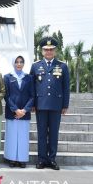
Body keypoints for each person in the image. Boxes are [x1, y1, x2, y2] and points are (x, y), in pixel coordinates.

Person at [30, 37, 70, 170]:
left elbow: (66, 87)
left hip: (56, 105)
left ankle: (52, 159)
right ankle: (41, 159)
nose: (48, 52)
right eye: (46, 50)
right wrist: (33, 104)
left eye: (51, 49)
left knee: (53, 133)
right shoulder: (35, 66)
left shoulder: (62, 66)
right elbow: (32, 87)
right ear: (42, 51)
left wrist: (65, 105)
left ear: (55, 51)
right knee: (41, 133)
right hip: (40, 105)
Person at [3, 56, 34, 168]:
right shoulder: (7, 77)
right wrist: (15, 109)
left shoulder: (28, 77)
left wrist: (25, 110)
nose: (19, 64)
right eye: (17, 62)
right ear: (13, 63)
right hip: (12, 112)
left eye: (21, 62)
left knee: (23, 136)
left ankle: (22, 159)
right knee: (11, 135)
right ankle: (12, 158)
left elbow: (32, 96)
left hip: (24, 113)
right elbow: (6, 96)